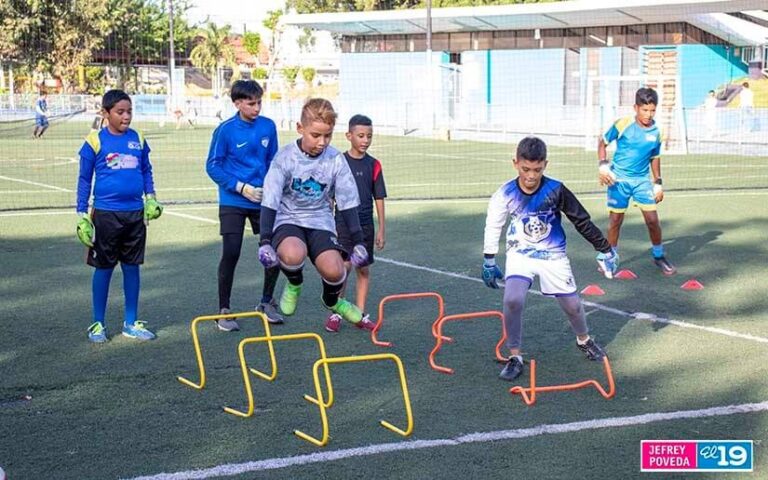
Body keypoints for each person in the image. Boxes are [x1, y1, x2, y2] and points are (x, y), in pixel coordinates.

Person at [482, 136, 618, 381]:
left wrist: (605, 248)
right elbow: (494, 224)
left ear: (545, 164)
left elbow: (581, 220)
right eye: (526, 169)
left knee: (573, 306)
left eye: (537, 169)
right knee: (513, 300)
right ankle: (515, 356)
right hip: (520, 253)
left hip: (553, 254)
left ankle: (584, 340)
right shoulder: (505, 193)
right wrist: (489, 260)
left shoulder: (556, 189)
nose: (531, 176)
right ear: (515, 164)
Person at [258, 98, 376, 331]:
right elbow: (270, 199)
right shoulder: (285, 157)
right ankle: (294, 282)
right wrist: (264, 241)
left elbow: (347, 202)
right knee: (292, 254)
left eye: (328, 136)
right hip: (289, 219)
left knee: (336, 270)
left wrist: (359, 242)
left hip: (320, 221)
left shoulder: (335, 160)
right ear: (300, 128)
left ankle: (332, 301)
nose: (322, 142)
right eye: (315, 135)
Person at [75, 89, 163, 343]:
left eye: (129, 111)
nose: (126, 117)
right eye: (120, 112)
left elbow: (146, 171)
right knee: (103, 268)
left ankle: (131, 322)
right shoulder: (94, 141)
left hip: (135, 215)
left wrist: (151, 197)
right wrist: (82, 213)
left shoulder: (139, 138)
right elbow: (84, 179)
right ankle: (97, 324)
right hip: (105, 215)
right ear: (106, 113)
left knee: (132, 267)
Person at [205, 80, 283, 331]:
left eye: (259, 102)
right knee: (231, 252)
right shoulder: (225, 130)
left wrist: (272, 189)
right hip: (233, 200)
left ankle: (265, 302)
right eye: (251, 103)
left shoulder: (268, 127)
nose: (257, 107)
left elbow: (273, 161)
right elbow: (213, 166)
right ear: (237, 103)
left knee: (274, 251)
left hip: (262, 200)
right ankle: (224, 310)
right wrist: (240, 187)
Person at [597, 87, 676, 276]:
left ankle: (658, 256)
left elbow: (654, 156)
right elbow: (602, 142)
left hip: (642, 181)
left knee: (652, 221)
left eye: (652, 110)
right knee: (615, 220)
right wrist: (603, 166)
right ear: (636, 107)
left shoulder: (657, 131)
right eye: (644, 109)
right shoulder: (622, 124)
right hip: (618, 180)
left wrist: (658, 182)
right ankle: (610, 257)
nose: (648, 114)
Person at [325, 114, 387, 333]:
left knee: (363, 269)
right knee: (342, 270)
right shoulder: (338, 162)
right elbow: (329, 195)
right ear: (349, 136)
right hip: (342, 224)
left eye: (369, 136)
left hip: (365, 225)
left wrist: (381, 229)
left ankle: (359, 314)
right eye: (361, 135)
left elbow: (378, 197)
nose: (365, 140)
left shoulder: (374, 165)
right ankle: (336, 312)